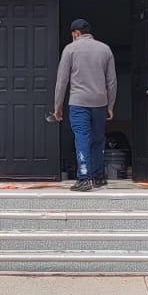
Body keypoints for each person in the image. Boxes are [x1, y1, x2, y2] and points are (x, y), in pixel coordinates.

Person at [52, 17, 117, 192]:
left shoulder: (70, 49)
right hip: (100, 103)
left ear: (76, 33)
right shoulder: (105, 49)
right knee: (98, 139)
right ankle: (98, 177)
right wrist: (110, 106)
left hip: (79, 103)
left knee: (82, 138)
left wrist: (58, 107)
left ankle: (84, 178)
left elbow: (62, 81)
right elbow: (111, 82)